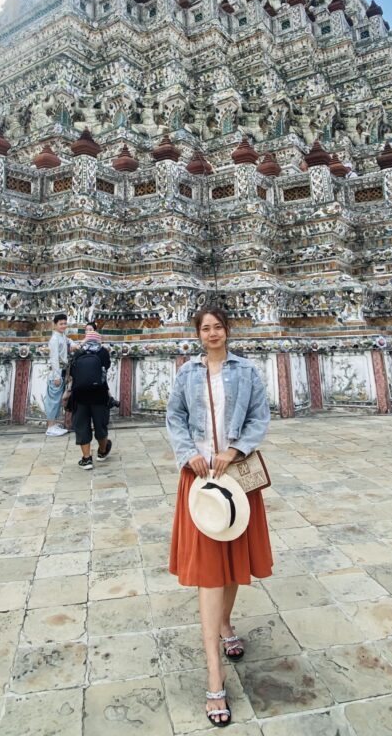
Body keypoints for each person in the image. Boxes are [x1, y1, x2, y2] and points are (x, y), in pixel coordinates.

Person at [167, 306, 272, 728]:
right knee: (210, 571)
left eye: (218, 327)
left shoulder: (246, 372)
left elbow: (259, 417)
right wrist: (187, 453)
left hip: (237, 477)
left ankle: (227, 622)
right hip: (200, 479)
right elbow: (174, 416)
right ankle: (215, 676)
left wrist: (236, 449)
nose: (213, 333)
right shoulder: (187, 373)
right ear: (198, 334)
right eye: (205, 328)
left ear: (228, 331)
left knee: (232, 565)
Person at [69, 322, 112, 470]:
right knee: (100, 425)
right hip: (99, 394)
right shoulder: (103, 352)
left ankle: (86, 459)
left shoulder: (79, 352)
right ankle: (102, 451)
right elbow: (106, 368)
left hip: (79, 395)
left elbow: (71, 373)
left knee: (82, 426)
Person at [46, 312, 73, 436]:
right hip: (55, 373)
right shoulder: (55, 339)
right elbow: (54, 359)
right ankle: (50, 427)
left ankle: (53, 424)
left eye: (65, 323)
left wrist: (74, 344)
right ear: (55, 325)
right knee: (53, 400)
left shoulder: (62, 336)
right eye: (61, 324)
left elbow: (69, 341)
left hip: (62, 371)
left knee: (57, 400)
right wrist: (57, 376)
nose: (63, 325)